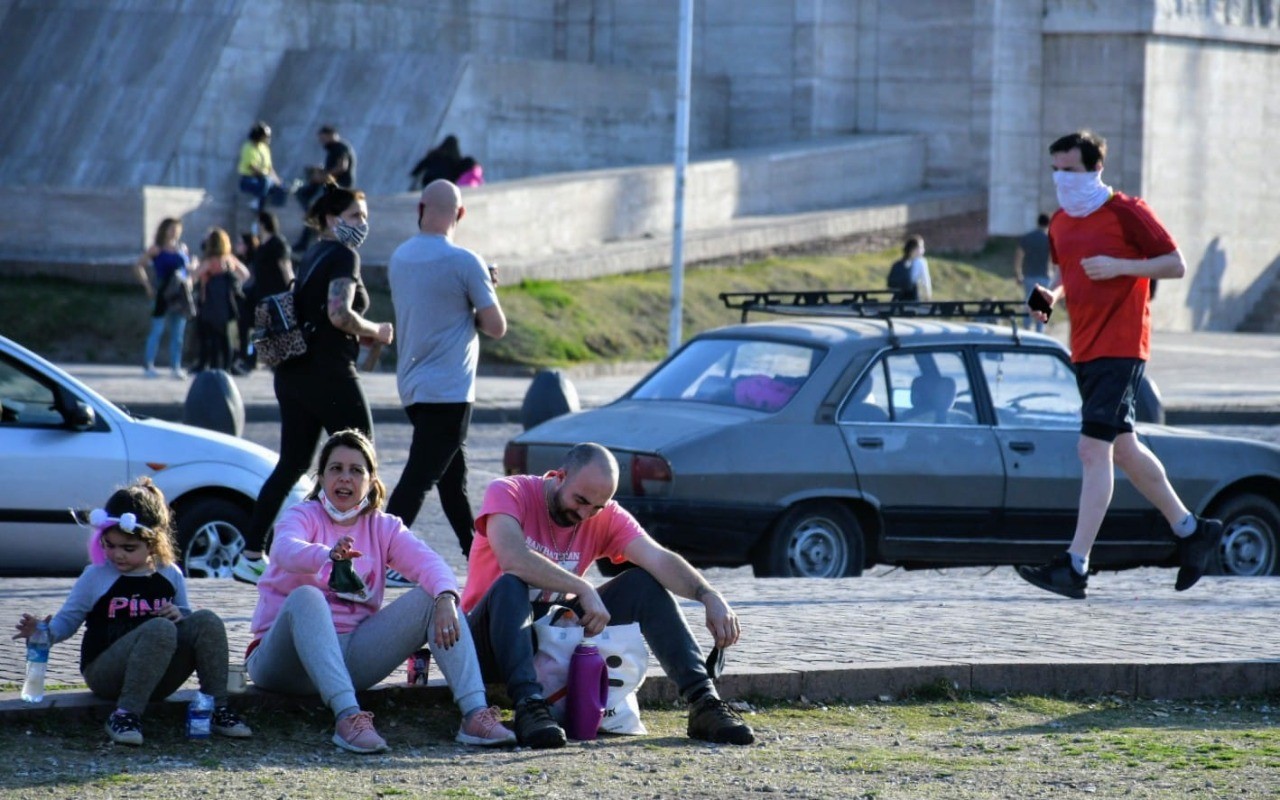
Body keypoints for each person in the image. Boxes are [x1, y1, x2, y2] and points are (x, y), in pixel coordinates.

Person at [1016, 130, 1223, 599]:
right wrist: (1050, 295)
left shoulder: (1128, 211)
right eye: (1055, 170)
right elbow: (1064, 272)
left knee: (1093, 451)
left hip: (1122, 344)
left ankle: (1075, 563)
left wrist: (1121, 266)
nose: (1061, 179)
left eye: (1069, 170)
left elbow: (1175, 264)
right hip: (1084, 347)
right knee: (1124, 450)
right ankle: (1192, 530)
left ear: (1095, 169)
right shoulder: (1061, 224)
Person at [462, 442, 755, 749]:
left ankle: (703, 701)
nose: (585, 514)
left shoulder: (603, 515)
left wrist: (707, 594)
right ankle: (528, 706)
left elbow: (658, 558)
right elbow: (513, 558)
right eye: (580, 500)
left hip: (550, 638)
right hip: (487, 642)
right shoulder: (509, 492)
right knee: (512, 584)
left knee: (642, 583)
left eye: (596, 507)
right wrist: (582, 587)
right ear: (560, 476)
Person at [246, 429, 515, 753]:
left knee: (434, 596)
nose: (345, 478)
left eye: (356, 470)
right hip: (282, 663)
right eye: (336, 469)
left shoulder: (383, 526)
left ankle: (474, 714)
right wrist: (326, 555)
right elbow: (284, 550)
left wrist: (446, 597)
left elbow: (432, 564)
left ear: (372, 480)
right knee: (307, 596)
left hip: (350, 658)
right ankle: (348, 718)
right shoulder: (302, 515)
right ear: (321, 477)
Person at [233, 180, 395, 585]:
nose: (362, 224)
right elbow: (339, 314)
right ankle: (372, 557)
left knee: (294, 464)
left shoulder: (312, 254)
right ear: (330, 218)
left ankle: (253, 553)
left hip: (293, 373)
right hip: (329, 372)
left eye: (365, 217)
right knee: (362, 462)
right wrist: (376, 328)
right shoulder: (343, 254)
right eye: (356, 215)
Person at [11, 477, 252, 746]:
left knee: (207, 620)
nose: (118, 555)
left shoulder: (169, 573)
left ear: (153, 544)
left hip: (159, 674)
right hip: (106, 672)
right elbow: (68, 620)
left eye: (128, 548)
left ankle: (217, 708)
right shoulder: (96, 576)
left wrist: (179, 614)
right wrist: (43, 632)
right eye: (110, 545)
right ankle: (124, 715)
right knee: (159, 628)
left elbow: (188, 618)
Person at [384, 179, 506, 576]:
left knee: (453, 481)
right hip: (451, 391)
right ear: (461, 214)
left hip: (414, 388)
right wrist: (484, 289)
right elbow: (495, 325)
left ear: (420, 209)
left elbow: (432, 305)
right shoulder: (466, 263)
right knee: (418, 479)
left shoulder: (399, 258)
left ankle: (477, 556)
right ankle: (378, 557)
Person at [133, 217, 195, 379]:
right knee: (157, 329)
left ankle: (176, 366)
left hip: (179, 292)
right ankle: (149, 364)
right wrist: (147, 285)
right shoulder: (157, 248)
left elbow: (186, 270)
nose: (174, 231)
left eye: (177, 228)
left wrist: (191, 273)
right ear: (165, 230)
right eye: (171, 228)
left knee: (178, 332)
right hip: (162, 290)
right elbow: (139, 265)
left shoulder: (182, 248)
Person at [237, 211, 294, 373]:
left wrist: (292, 290)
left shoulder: (278, 244)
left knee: (276, 330)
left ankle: (279, 363)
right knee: (258, 329)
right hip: (261, 294)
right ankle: (251, 361)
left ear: (263, 224)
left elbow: (286, 268)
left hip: (277, 294)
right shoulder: (261, 246)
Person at [191, 228, 250, 373]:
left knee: (210, 338)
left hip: (209, 304)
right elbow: (245, 274)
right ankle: (227, 367)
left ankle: (213, 366)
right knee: (226, 339)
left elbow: (194, 276)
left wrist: (193, 267)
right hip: (227, 304)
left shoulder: (210, 261)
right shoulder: (229, 259)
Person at [1013, 213, 1055, 332]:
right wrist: (1053, 273)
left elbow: (1018, 256)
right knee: (1042, 305)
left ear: (1038, 222)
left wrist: (1018, 273)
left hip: (1029, 275)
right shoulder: (1049, 239)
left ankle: (1026, 329)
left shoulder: (1027, 237)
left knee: (1029, 302)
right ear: (1048, 223)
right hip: (1045, 275)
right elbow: (1053, 259)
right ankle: (1039, 331)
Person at [237, 121, 287, 210]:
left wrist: (277, 181)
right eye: (266, 136)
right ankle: (258, 205)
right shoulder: (248, 147)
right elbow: (252, 166)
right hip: (249, 179)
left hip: (264, 178)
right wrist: (266, 175)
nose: (268, 138)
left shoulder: (265, 148)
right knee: (265, 182)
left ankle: (275, 209)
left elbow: (269, 168)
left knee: (281, 187)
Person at [887, 235, 932, 301]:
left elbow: (925, 280)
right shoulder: (900, 264)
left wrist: (927, 295)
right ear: (913, 249)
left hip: (912, 295)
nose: (923, 250)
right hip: (901, 296)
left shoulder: (921, 262)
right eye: (921, 247)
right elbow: (892, 283)